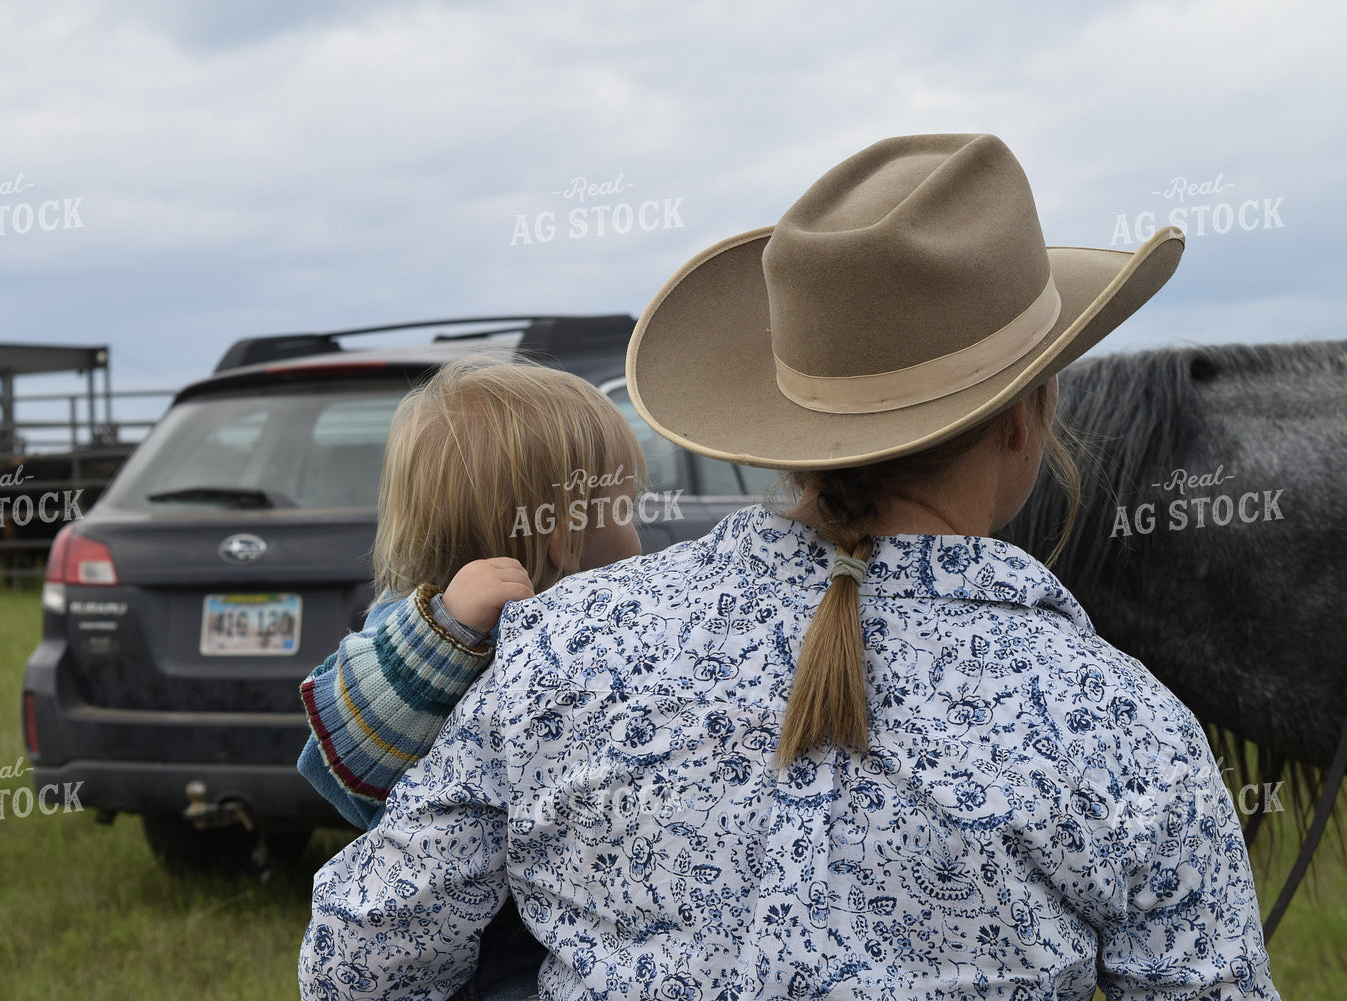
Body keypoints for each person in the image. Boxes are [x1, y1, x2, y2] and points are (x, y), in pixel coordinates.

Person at [301, 134, 1280, 1000]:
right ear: (1028, 416)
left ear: (787, 424)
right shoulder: (1118, 721)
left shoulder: (560, 643)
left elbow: (359, 960)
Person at [296, 356, 643, 1000]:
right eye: (627, 512)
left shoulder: (595, 638)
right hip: (477, 949)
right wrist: (446, 637)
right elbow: (341, 763)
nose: (638, 535)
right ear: (565, 537)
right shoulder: (412, 626)